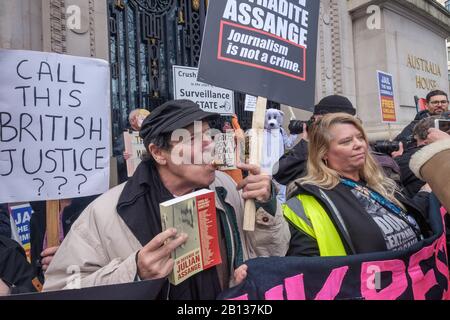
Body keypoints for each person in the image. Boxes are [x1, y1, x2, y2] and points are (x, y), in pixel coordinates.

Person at [43, 100, 290, 299]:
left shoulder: (225, 188)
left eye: (208, 134)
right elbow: (61, 288)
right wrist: (134, 273)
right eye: (193, 138)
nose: (209, 143)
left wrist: (264, 205)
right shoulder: (106, 213)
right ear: (159, 153)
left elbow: (274, 252)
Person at [283, 113, 430, 257]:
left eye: (360, 138)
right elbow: (306, 269)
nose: (359, 144)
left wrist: (425, 194)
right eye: (346, 141)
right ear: (324, 153)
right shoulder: (308, 201)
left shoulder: (382, 183)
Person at [274, 95, 357, 186]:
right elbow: (280, 172)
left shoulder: (351, 153)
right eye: (312, 120)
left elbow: (281, 173)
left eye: (316, 120)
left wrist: (307, 142)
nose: (313, 124)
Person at [114, 108, 151, 184]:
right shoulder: (124, 137)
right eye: (142, 118)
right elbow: (115, 160)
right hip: (131, 180)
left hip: (146, 175)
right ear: (132, 121)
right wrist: (123, 158)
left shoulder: (148, 135)